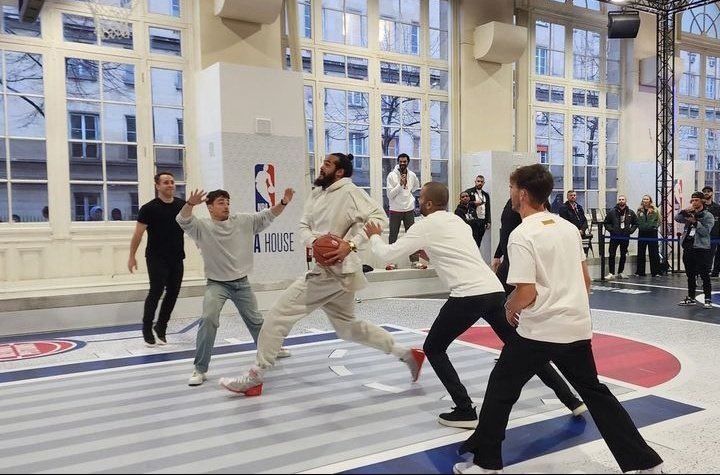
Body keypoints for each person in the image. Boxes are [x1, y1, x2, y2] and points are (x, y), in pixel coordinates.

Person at [454, 164, 664, 475]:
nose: (510, 193)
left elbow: (525, 292)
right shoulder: (567, 227)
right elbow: (586, 281)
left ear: (523, 194)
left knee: (500, 391)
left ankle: (487, 465)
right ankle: (647, 463)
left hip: (539, 332)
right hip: (576, 329)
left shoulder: (522, 233)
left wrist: (510, 306)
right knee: (596, 394)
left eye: (512, 188)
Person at [364, 182, 585, 429]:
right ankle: (572, 400)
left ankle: (465, 409)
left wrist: (373, 235)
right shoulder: (457, 221)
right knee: (522, 348)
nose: (417, 201)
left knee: (434, 348)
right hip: (492, 290)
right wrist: (432, 254)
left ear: (427, 203)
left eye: (420, 197)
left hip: (468, 295)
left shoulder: (425, 225)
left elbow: (387, 254)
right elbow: (456, 252)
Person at [218, 152, 425, 395]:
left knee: (278, 315)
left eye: (327, 164)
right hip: (330, 270)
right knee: (348, 328)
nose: (321, 167)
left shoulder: (351, 192)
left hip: (335, 271)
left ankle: (256, 375)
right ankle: (407, 354)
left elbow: (379, 217)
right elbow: (303, 225)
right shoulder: (317, 193)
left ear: (339, 172)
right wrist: (316, 242)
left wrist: (351, 244)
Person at [178, 186, 295, 386]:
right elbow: (182, 220)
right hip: (217, 284)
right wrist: (190, 204)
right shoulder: (202, 227)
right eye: (220, 203)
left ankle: (271, 350)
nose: (226, 206)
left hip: (241, 282)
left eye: (227, 202)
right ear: (209, 207)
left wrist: (283, 202)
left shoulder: (243, 221)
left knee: (256, 321)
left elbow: (267, 215)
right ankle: (199, 369)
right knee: (208, 319)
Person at [128, 172, 187, 347]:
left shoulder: (181, 205)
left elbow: (191, 226)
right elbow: (138, 234)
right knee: (156, 291)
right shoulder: (148, 208)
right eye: (166, 182)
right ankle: (147, 328)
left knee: (173, 292)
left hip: (176, 256)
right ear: (158, 186)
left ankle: (161, 327)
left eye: (172, 182)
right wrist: (132, 256)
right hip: (156, 257)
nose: (170, 185)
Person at [675, 191, 714, 309]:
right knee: (690, 274)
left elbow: (705, 232)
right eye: (692, 200)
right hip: (688, 246)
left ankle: (707, 299)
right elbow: (677, 218)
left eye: (696, 200)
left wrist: (695, 222)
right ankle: (691, 297)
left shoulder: (708, 216)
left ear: (702, 201)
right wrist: (684, 211)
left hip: (701, 247)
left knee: (704, 274)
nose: (694, 202)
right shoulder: (690, 212)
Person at [385, 153, 423, 270]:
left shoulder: (411, 174)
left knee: (412, 235)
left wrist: (409, 186)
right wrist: (400, 185)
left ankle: (415, 261)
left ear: (408, 162)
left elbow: (416, 186)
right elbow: (389, 195)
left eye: (404, 161)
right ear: (398, 162)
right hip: (395, 209)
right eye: (400, 161)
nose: (402, 163)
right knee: (393, 236)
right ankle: (391, 262)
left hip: (409, 209)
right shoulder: (391, 175)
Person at [491, 198, 522, 296]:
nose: (510, 189)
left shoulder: (533, 204)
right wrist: (497, 255)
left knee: (497, 294)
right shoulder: (512, 204)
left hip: (517, 257)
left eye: (512, 187)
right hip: (508, 257)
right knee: (496, 293)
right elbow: (506, 231)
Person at [603, 195, 637, 279]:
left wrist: (631, 230)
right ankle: (611, 273)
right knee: (612, 254)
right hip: (615, 236)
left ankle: (620, 272)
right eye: (620, 199)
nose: (621, 201)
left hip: (625, 236)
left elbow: (636, 223)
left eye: (623, 199)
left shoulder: (630, 212)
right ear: (618, 201)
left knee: (623, 254)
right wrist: (612, 230)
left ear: (626, 201)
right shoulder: (612, 212)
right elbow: (606, 222)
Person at [559, 190, 592, 256]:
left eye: (574, 195)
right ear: (567, 197)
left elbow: (584, 221)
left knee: (582, 254)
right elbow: (565, 222)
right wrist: (576, 230)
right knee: (572, 254)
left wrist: (582, 230)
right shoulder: (563, 208)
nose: (573, 197)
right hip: (571, 235)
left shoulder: (579, 207)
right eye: (571, 195)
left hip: (581, 234)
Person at [635, 195, 661, 277]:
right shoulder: (639, 210)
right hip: (642, 232)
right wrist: (640, 226)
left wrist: (655, 227)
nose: (645, 200)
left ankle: (655, 272)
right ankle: (640, 272)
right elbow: (636, 220)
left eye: (647, 199)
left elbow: (659, 220)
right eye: (644, 199)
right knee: (641, 252)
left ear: (650, 200)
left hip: (652, 233)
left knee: (653, 252)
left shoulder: (655, 210)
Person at [465, 175, 491, 248]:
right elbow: (464, 204)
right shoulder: (469, 192)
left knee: (479, 241)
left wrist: (488, 221)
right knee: (473, 241)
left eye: (481, 182)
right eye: (478, 181)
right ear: (475, 182)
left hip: (482, 220)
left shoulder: (486, 195)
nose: (480, 183)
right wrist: (474, 203)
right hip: (473, 220)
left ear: (484, 183)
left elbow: (488, 208)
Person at [702, 185, 720, 278]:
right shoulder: (701, 207)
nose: (706, 193)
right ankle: (705, 271)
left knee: (718, 254)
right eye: (704, 191)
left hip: (716, 234)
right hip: (704, 234)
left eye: (708, 191)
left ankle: (715, 272)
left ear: (712, 193)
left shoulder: (717, 207)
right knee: (706, 254)